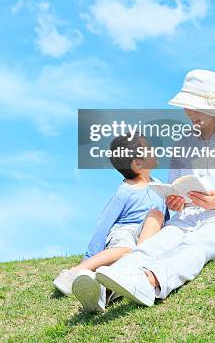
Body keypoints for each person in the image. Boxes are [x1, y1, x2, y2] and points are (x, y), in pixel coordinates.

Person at [95, 69, 215, 307]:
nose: (190, 113)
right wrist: (176, 201)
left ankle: (150, 282)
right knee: (151, 247)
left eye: (196, 106)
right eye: (187, 106)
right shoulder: (182, 145)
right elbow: (176, 191)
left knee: (197, 245)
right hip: (188, 218)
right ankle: (103, 290)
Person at [53, 133, 167, 312]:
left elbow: (163, 218)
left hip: (146, 237)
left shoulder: (160, 186)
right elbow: (103, 225)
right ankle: (75, 272)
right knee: (124, 250)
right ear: (138, 163)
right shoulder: (125, 192)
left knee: (153, 222)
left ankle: (109, 287)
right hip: (125, 231)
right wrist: (90, 257)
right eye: (149, 149)